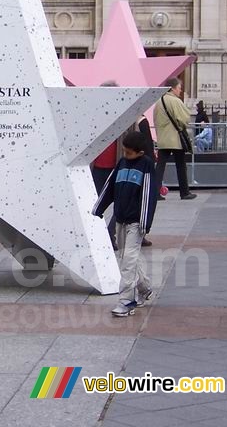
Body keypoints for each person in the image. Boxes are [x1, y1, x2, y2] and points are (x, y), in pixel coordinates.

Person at [93, 131, 158, 317]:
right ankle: (145, 288)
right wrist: (99, 207)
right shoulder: (121, 163)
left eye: (129, 152)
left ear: (140, 152)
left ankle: (126, 301)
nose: (125, 155)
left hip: (136, 222)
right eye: (124, 151)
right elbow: (110, 186)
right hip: (121, 219)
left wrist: (145, 222)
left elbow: (148, 195)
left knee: (128, 262)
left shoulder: (146, 166)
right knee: (128, 258)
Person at [153, 77, 196, 201]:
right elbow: (184, 119)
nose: (180, 91)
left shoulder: (158, 102)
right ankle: (184, 192)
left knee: (160, 166)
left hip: (163, 138)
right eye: (179, 88)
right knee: (181, 165)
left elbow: (155, 120)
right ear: (172, 88)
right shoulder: (175, 101)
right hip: (175, 138)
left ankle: (155, 192)